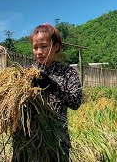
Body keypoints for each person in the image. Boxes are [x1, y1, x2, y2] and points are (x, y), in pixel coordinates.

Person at [12, 23, 82, 161]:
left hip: (55, 139)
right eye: (35, 47)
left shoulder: (67, 73)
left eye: (43, 46)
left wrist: (53, 87)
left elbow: (75, 103)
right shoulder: (27, 74)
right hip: (27, 139)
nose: (39, 52)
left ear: (56, 47)